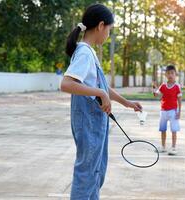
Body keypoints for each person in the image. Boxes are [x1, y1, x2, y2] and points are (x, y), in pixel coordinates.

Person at [60, 4, 142, 200]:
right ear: (101, 25)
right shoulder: (84, 53)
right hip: (88, 122)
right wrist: (100, 93)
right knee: (87, 174)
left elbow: (102, 87)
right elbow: (66, 84)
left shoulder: (89, 52)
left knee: (96, 172)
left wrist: (126, 102)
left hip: (95, 122)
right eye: (110, 30)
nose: (108, 35)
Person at [153, 65, 182, 156]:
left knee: (174, 130)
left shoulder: (177, 86)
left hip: (173, 111)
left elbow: (179, 100)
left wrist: (179, 112)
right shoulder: (163, 86)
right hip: (163, 111)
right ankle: (163, 147)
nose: (170, 75)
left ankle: (173, 148)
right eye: (168, 73)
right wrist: (154, 90)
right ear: (165, 74)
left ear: (175, 74)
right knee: (163, 129)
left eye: (172, 73)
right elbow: (158, 95)